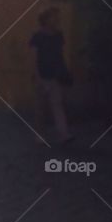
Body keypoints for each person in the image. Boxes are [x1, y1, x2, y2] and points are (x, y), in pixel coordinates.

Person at [29, 8, 72, 144]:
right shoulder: (37, 37)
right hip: (42, 75)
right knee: (41, 108)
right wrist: (37, 75)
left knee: (57, 105)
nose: (56, 19)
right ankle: (39, 135)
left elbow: (60, 55)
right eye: (53, 17)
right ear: (46, 19)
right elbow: (34, 57)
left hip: (55, 75)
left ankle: (63, 133)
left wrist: (64, 71)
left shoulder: (59, 35)